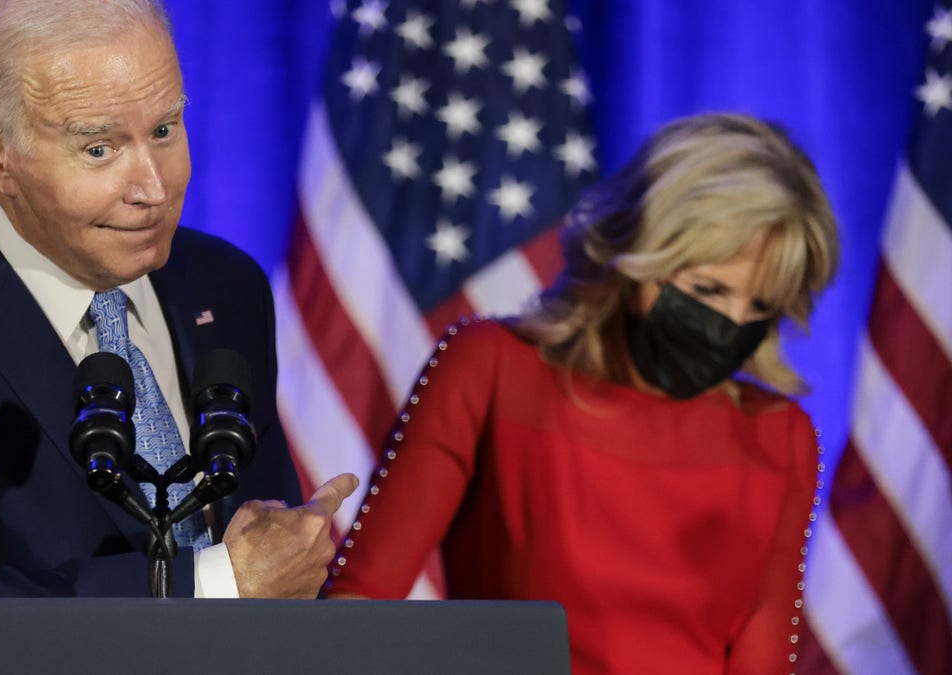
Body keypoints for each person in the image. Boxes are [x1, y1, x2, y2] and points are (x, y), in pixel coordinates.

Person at [0, 0, 355, 599]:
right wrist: (213, 582)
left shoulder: (227, 285)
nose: (155, 187)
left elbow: (261, 549)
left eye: (164, 130)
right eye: (100, 149)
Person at [326, 113, 839, 673]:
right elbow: (358, 604)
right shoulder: (491, 366)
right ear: (639, 251)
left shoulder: (781, 435)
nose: (734, 323)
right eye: (709, 290)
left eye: (761, 308)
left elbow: (764, 659)